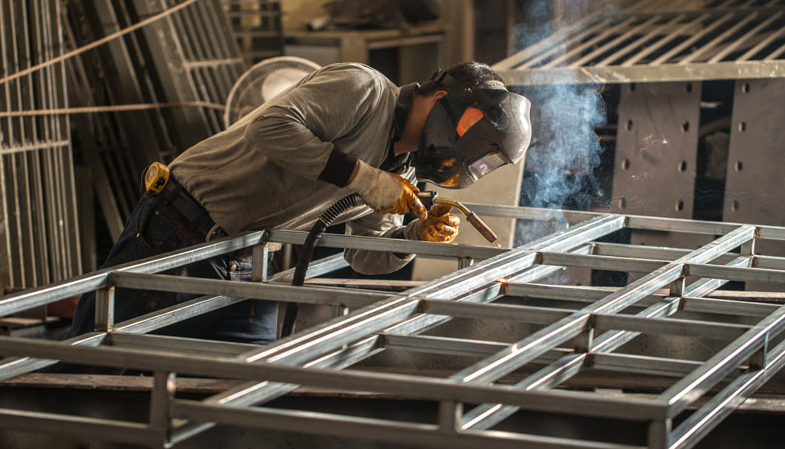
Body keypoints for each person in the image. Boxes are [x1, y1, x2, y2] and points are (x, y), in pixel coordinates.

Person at [68, 61, 531, 344]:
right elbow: (267, 129)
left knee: (247, 384)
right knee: (94, 365)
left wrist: (414, 236)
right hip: (175, 228)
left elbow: (364, 254)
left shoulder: (402, 172)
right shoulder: (364, 91)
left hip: (242, 258)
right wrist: (362, 177)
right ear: (444, 102)